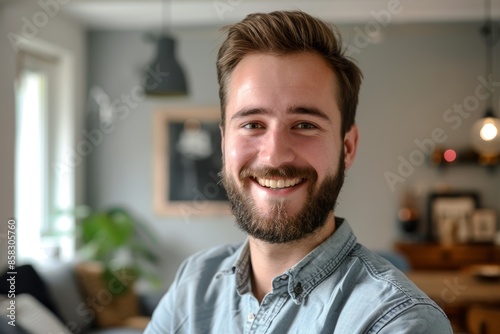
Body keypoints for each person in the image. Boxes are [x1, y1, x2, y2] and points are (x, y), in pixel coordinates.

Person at [145, 10, 452, 333]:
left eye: (305, 125)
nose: (275, 155)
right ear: (224, 144)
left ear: (347, 147)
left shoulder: (397, 321)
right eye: (252, 124)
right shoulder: (195, 283)